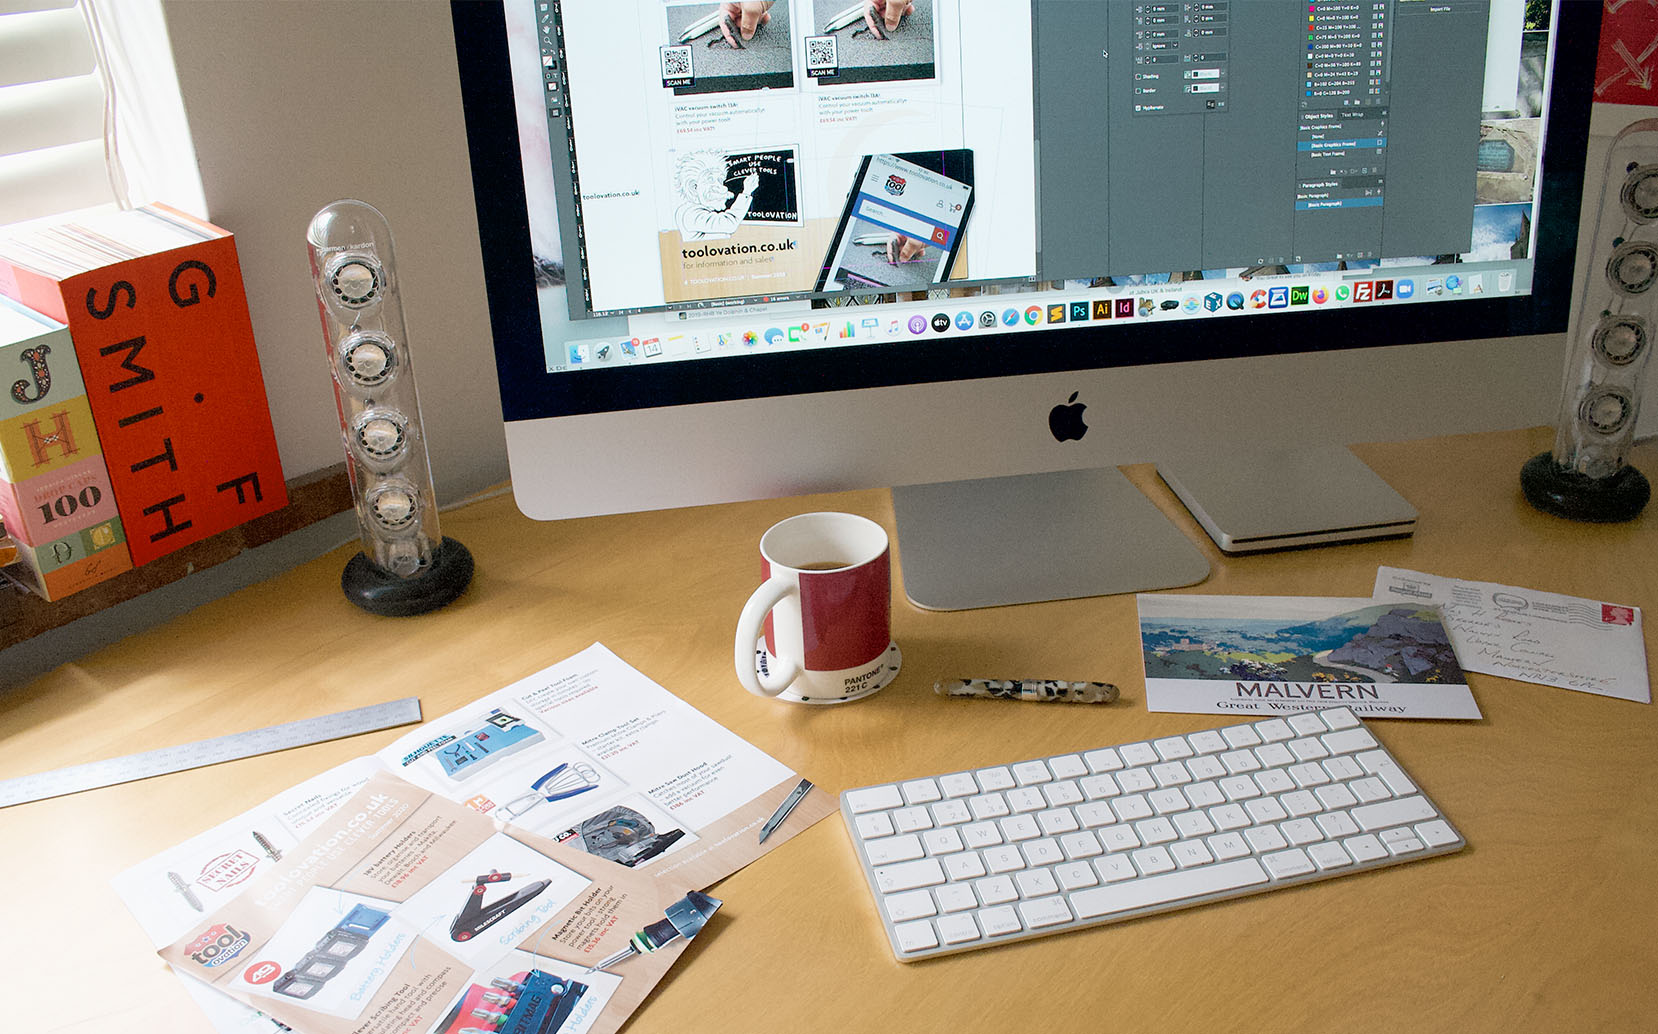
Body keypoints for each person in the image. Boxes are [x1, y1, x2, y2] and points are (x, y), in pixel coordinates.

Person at [674, 152, 757, 240]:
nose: (721, 187)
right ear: (694, 187)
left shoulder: (703, 211)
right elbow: (729, 224)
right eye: (710, 179)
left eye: (720, 180)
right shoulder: (690, 213)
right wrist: (746, 192)